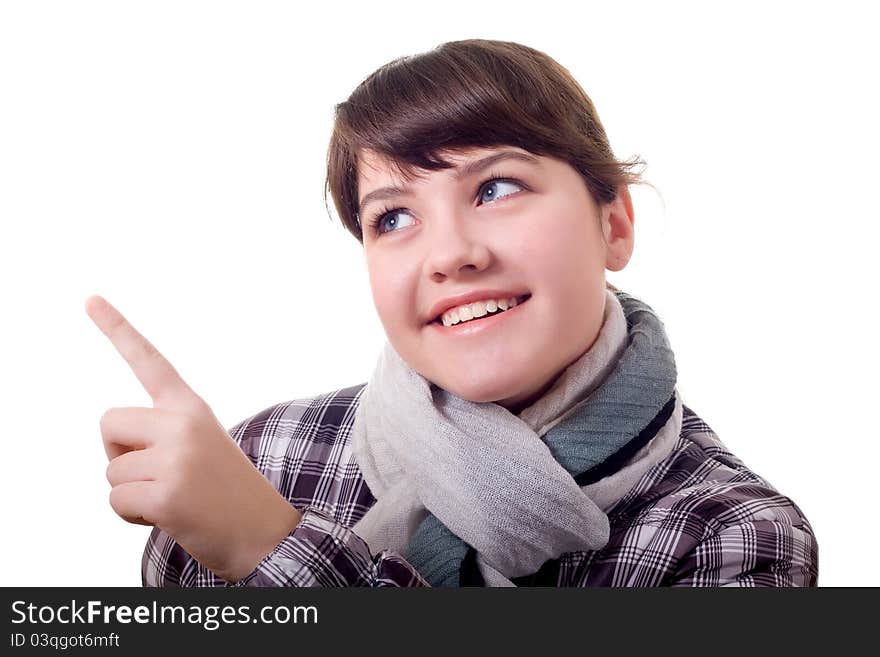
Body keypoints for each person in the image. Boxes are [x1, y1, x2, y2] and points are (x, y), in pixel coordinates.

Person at [90, 39, 818, 587]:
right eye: (394, 217)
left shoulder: (732, 536)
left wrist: (268, 551)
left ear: (615, 226)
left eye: (497, 188)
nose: (449, 254)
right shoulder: (257, 461)